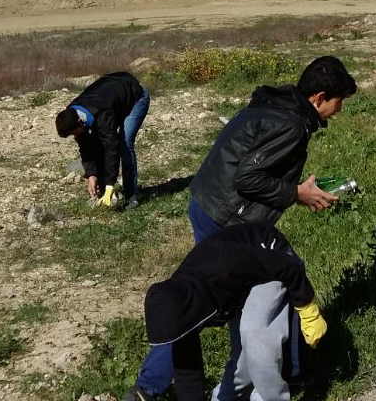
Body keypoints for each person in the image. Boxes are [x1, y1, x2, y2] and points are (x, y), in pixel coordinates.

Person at [186, 55, 356, 401]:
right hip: (228, 220)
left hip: (208, 203)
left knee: (228, 303)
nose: (340, 111)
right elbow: (248, 177)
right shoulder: (292, 125)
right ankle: (264, 382)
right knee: (227, 303)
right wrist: (297, 192)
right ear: (320, 98)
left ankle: (236, 384)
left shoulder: (275, 103)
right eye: (339, 103)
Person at [121, 223, 327, 401]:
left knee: (256, 335)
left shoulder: (225, 266)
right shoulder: (181, 309)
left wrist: (308, 308)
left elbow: (285, 266)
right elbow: (188, 372)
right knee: (242, 359)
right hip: (236, 286)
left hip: (268, 259)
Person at [56, 71, 150, 209]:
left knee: (124, 143)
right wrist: (91, 174)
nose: (75, 136)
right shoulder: (72, 113)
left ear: (80, 122)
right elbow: (86, 147)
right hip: (114, 97)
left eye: (74, 133)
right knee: (97, 143)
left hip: (136, 97)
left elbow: (111, 147)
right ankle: (102, 189)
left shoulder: (102, 115)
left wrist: (110, 185)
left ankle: (132, 195)